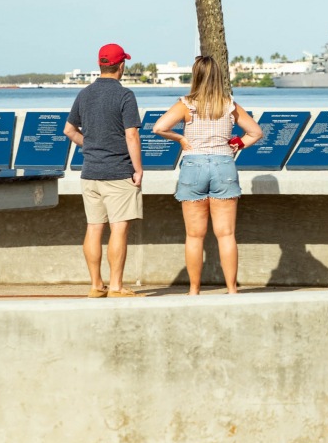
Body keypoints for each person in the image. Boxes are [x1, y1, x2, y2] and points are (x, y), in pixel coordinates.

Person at [153, 55, 262, 294]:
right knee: (226, 234)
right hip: (224, 164)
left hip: (194, 165)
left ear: (196, 76)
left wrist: (181, 138)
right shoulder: (229, 104)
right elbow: (255, 132)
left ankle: (194, 289)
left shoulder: (186, 104)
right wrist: (238, 144)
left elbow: (159, 127)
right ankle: (232, 289)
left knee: (194, 235)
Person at [63, 43, 144, 299]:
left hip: (90, 173)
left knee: (94, 228)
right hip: (118, 171)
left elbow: (69, 130)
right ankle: (117, 286)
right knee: (118, 229)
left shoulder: (84, 94)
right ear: (121, 66)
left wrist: (91, 144)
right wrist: (138, 169)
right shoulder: (125, 95)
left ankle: (96, 285)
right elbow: (131, 135)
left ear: (100, 65)